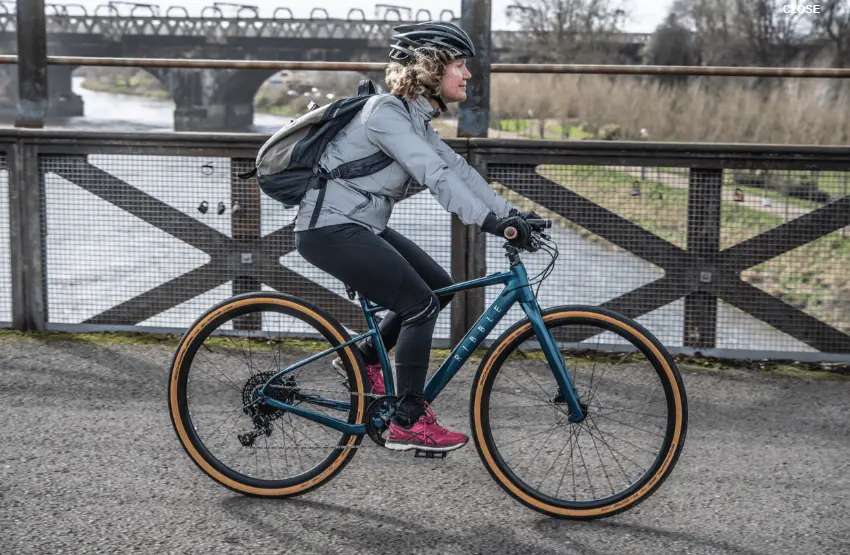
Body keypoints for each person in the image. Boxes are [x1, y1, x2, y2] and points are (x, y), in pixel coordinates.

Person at [294, 21, 536, 453]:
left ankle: (365, 358)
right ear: (431, 68)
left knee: (439, 288)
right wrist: (490, 222)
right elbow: (434, 173)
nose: (468, 76)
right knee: (418, 304)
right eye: (460, 65)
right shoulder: (385, 114)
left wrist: (511, 215)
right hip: (328, 229)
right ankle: (407, 420)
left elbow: (459, 171)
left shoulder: (414, 119)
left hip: (358, 225)